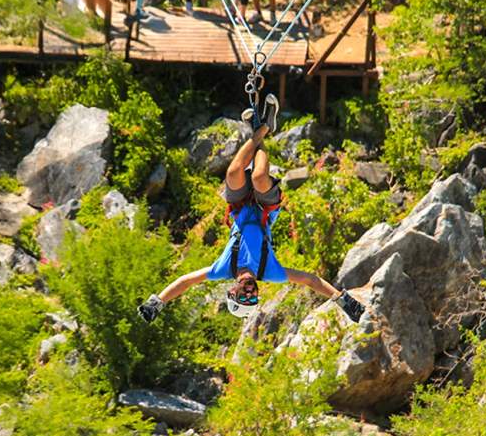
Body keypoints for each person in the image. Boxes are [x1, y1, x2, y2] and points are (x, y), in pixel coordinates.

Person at [138, 95, 366, 324]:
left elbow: (186, 281)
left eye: (242, 297)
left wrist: (157, 302)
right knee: (258, 176)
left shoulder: (223, 269)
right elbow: (310, 280)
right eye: (252, 298)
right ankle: (263, 128)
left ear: (232, 291)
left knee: (233, 174)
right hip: (266, 207)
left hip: (239, 207)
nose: (250, 293)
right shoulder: (270, 272)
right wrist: (342, 300)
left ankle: (260, 128)